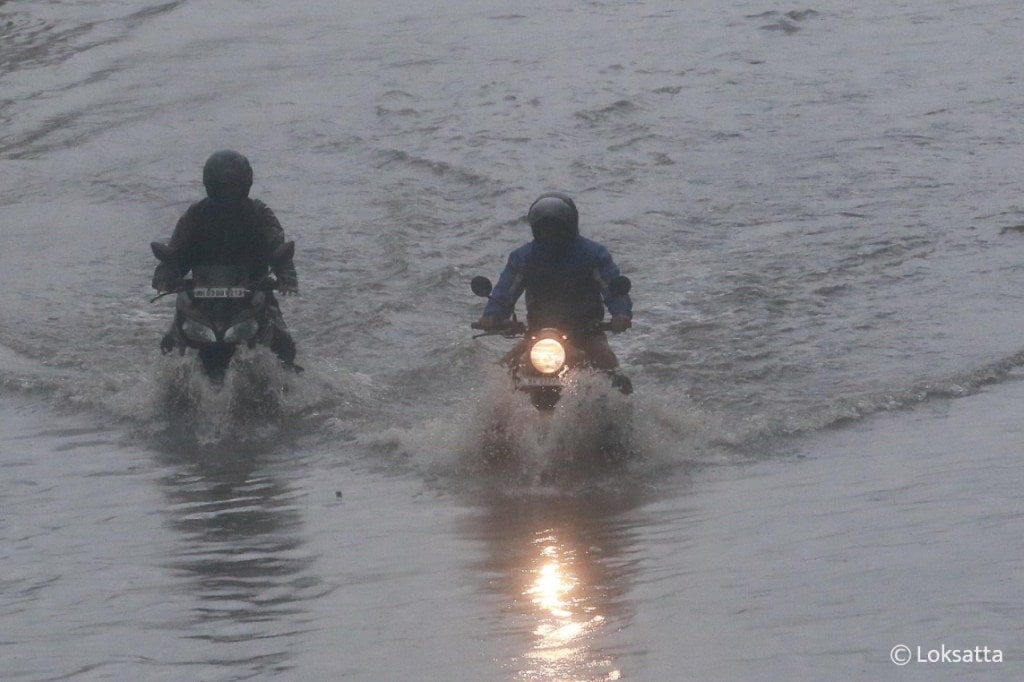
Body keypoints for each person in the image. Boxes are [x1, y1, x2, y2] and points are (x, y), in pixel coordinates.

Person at [152, 149, 300, 367]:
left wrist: (286, 276)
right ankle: (168, 385)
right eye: (222, 186)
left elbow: (277, 246)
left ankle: (290, 390)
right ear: (210, 184)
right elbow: (176, 250)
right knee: (169, 344)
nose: (227, 192)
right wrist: (165, 275)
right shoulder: (196, 214)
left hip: (251, 295)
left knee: (284, 345)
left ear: (245, 184)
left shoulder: (259, 214)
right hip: (202, 299)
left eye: (232, 186)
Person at [474, 192, 633, 393]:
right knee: (500, 375)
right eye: (545, 228)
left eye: (556, 228)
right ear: (536, 229)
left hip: (587, 333)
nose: (551, 233)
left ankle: (619, 419)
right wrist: (491, 316)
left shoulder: (593, 255)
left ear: (569, 227)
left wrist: (621, 314)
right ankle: (492, 421)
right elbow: (506, 290)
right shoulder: (524, 258)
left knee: (612, 373)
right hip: (538, 335)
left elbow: (612, 288)